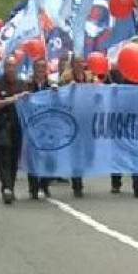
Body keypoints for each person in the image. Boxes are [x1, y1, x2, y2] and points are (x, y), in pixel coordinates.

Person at [0, 57, 28, 204]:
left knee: (14, 158)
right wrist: (14, 98)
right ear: (4, 67)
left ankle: (11, 187)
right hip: (2, 125)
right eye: (8, 65)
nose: (11, 69)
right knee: (4, 157)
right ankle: (6, 188)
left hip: (17, 125)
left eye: (13, 66)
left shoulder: (21, 84)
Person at [60, 56, 92, 198]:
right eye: (77, 62)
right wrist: (68, 88)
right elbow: (60, 93)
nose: (80, 64)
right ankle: (77, 183)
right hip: (72, 119)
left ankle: (80, 172)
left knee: (88, 151)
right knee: (76, 151)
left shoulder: (89, 76)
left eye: (82, 62)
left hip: (86, 118)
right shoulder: (67, 77)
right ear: (72, 64)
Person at [26, 58, 52, 199]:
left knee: (48, 155)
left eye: (43, 67)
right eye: (38, 67)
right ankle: (33, 187)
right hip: (33, 125)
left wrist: (57, 92)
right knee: (33, 157)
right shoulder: (28, 85)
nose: (41, 69)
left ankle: (45, 184)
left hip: (47, 125)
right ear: (34, 69)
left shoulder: (51, 85)